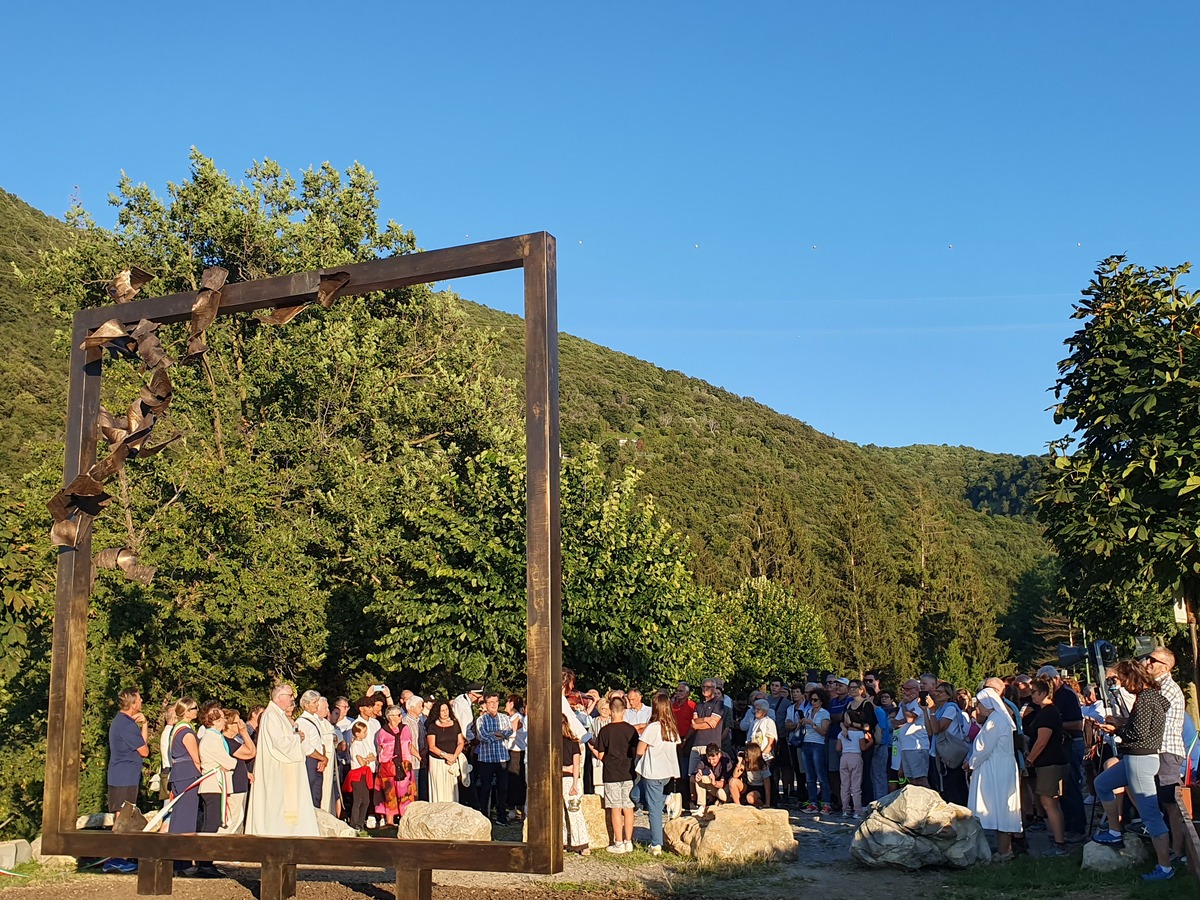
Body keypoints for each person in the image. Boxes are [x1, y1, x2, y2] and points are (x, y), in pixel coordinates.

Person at [1091, 658, 1175, 881]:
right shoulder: (1153, 697)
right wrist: (1121, 722)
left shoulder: (1146, 699)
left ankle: (1165, 868)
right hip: (1137, 758)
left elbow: (1137, 733)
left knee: (1150, 815)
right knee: (1102, 784)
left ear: (1133, 678)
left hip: (1140, 759)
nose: (1122, 684)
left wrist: (1116, 728)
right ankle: (1114, 832)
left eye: (1123, 679)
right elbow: (1140, 724)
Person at [245, 684, 319, 837]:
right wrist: (297, 737)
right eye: (290, 695)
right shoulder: (271, 715)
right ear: (279, 697)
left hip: (285, 767)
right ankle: (276, 833)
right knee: (277, 804)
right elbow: (280, 743)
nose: (293, 698)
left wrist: (295, 736)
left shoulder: (278, 715)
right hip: (277, 769)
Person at [968, 687, 1021, 861]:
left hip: (995, 767)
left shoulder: (995, 720)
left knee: (999, 806)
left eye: (980, 704)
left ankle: (1005, 850)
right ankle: (1004, 849)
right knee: (1000, 807)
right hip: (999, 765)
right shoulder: (998, 718)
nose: (978, 707)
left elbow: (984, 747)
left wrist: (971, 763)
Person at [195, 702, 244, 878]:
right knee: (211, 823)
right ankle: (204, 863)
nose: (224, 721)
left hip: (217, 784)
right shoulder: (211, 738)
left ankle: (207, 861)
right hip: (212, 785)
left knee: (213, 822)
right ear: (214, 720)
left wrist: (227, 764)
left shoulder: (215, 737)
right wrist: (228, 764)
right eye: (222, 718)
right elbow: (230, 762)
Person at [1025, 677, 1069, 856]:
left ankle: (1059, 843)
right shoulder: (1044, 712)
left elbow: (1042, 740)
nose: (1031, 695)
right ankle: (1056, 838)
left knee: (1050, 802)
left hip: (1050, 762)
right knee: (1047, 802)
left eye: (1034, 692)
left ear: (1044, 693)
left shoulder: (1048, 713)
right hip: (1048, 762)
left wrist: (1030, 759)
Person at [635, 691, 681, 856]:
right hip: (666, 771)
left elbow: (640, 749)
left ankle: (656, 844)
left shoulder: (653, 728)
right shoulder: (671, 728)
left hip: (653, 771)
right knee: (636, 795)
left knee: (653, 809)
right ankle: (666, 799)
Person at [592, 695, 639, 853]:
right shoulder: (631, 730)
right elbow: (635, 752)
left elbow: (600, 754)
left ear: (611, 711)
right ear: (624, 711)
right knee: (628, 807)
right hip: (628, 772)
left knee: (615, 807)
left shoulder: (605, 731)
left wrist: (609, 760)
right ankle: (629, 841)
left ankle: (618, 842)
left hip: (611, 772)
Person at [166, 698, 203, 875]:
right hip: (188, 775)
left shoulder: (175, 729)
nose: (197, 710)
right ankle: (183, 862)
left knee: (179, 817)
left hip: (179, 775)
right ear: (187, 711)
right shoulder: (186, 732)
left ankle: (175, 860)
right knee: (186, 819)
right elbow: (196, 758)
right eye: (194, 708)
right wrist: (201, 773)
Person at [474, 691, 514, 824]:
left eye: (495, 702)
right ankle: (484, 816)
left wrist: (495, 734)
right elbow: (482, 736)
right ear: (485, 704)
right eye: (490, 702)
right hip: (487, 759)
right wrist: (498, 734)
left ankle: (502, 816)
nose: (493, 705)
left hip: (502, 757)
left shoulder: (504, 717)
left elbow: (509, 731)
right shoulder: (481, 719)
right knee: (486, 788)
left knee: (502, 788)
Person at [107, 688, 149, 814]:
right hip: (125, 778)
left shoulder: (120, 721)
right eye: (139, 698)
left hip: (119, 776)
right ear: (133, 704)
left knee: (121, 817)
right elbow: (144, 751)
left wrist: (145, 724)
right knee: (123, 818)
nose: (142, 700)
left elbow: (141, 743)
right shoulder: (127, 725)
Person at [375, 705, 415, 825]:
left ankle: (404, 818)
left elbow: (409, 745)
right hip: (388, 764)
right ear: (390, 717)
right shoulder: (382, 732)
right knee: (389, 792)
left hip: (404, 763)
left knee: (405, 792)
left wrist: (418, 756)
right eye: (398, 715)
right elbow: (380, 748)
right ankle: (390, 821)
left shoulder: (406, 729)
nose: (400, 717)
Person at [219, 709, 255, 834]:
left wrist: (245, 772)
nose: (241, 724)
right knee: (232, 820)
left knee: (237, 819)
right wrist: (244, 733)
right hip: (234, 786)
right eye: (237, 722)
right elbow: (251, 752)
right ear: (228, 725)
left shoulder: (233, 741)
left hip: (239, 784)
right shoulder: (228, 742)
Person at [426, 698, 465, 803]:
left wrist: (454, 756)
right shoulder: (432, 726)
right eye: (442, 710)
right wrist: (445, 755)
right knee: (439, 788)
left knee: (451, 788)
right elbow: (432, 746)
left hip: (452, 761)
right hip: (437, 761)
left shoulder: (455, 724)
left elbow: (461, 742)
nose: (445, 713)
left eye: (446, 710)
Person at [562, 714, 590, 855]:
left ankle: (571, 841)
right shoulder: (574, 742)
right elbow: (577, 764)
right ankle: (579, 843)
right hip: (570, 779)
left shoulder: (554, 744)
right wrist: (575, 782)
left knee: (566, 812)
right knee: (572, 812)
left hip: (563, 779)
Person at [894, 679, 930, 788]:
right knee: (911, 780)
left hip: (917, 747)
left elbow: (909, 719)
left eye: (907, 689)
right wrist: (905, 714)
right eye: (904, 689)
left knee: (920, 779)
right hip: (906, 747)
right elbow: (895, 723)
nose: (905, 692)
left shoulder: (920, 702)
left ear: (916, 690)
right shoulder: (906, 704)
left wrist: (904, 706)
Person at [801, 687, 832, 814]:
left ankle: (826, 803)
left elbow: (823, 731)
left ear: (821, 701)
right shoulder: (808, 711)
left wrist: (811, 723)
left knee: (821, 775)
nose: (813, 702)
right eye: (811, 700)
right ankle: (812, 802)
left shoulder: (824, 713)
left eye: (815, 700)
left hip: (818, 744)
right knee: (809, 776)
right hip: (806, 742)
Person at [837, 719, 871, 817]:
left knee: (844, 785)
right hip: (856, 757)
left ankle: (845, 809)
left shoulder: (841, 733)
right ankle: (857, 810)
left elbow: (838, 748)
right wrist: (870, 742)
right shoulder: (859, 733)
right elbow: (863, 747)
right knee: (856, 786)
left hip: (844, 758)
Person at [693, 743, 735, 815]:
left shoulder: (726, 761)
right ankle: (702, 806)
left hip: (725, 788)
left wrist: (714, 782)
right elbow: (692, 776)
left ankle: (725, 802)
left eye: (713, 759)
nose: (711, 762)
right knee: (700, 778)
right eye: (709, 759)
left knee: (721, 793)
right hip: (714, 787)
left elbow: (722, 784)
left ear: (718, 754)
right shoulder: (704, 759)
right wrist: (697, 775)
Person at [505, 694, 527, 818]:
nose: (505, 705)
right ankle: (515, 806)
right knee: (512, 780)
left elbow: (510, 730)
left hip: (517, 752)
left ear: (512, 703)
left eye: (507, 702)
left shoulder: (517, 717)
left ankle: (516, 807)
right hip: (512, 751)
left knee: (515, 780)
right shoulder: (512, 717)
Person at [730, 742, 772, 806]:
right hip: (749, 785)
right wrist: (739, 763)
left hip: (759, 788)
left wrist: (767, 804)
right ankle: (738, 806)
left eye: (747, 753)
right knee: (732, 781)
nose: (745, 755)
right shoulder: (745, 763)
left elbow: (767, 788)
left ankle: (762, 805)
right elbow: (735, 775)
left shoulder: (763, 766)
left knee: (750, 798)